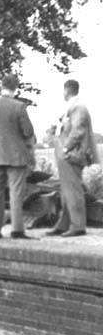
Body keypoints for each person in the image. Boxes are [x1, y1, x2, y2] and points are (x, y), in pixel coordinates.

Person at [0, 73, 35, 239]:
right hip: (16, 156)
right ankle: (17, 230)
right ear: (15, 88)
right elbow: (28, 131)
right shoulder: (19, 107)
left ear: (1, 87)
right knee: (16, 193)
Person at [47, 79, 97, 238]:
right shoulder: (73, 108)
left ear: (67, 91)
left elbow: (78, 131)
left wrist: (65, 148)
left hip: (72, 155)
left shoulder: (78, 107)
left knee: (73, 190)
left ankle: (78, 226)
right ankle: (64, 224)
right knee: (66, 190)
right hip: (69, 155)